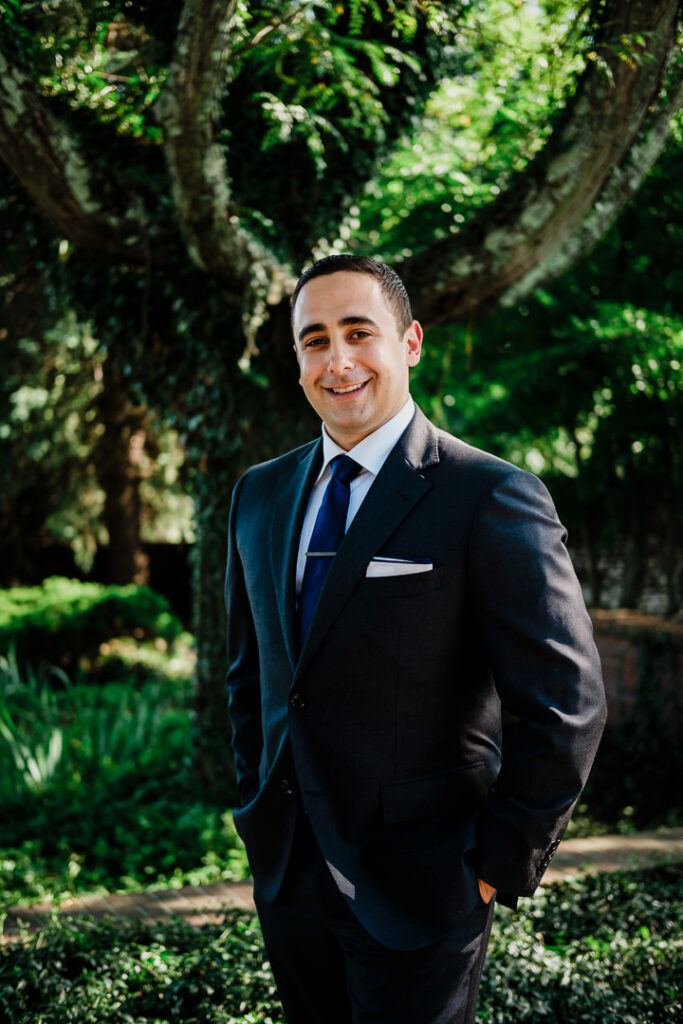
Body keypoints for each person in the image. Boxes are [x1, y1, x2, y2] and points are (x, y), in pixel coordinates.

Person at [225, 254, 606, 1024]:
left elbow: (566, 702)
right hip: (289, 877)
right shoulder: (258, 494)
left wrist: (497, 864)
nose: (337, 361)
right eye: (314, 340)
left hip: (427, 885)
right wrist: (255, 800)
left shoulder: (489, 495)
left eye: (359, 332)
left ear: (410, 343)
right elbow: (251, 675)